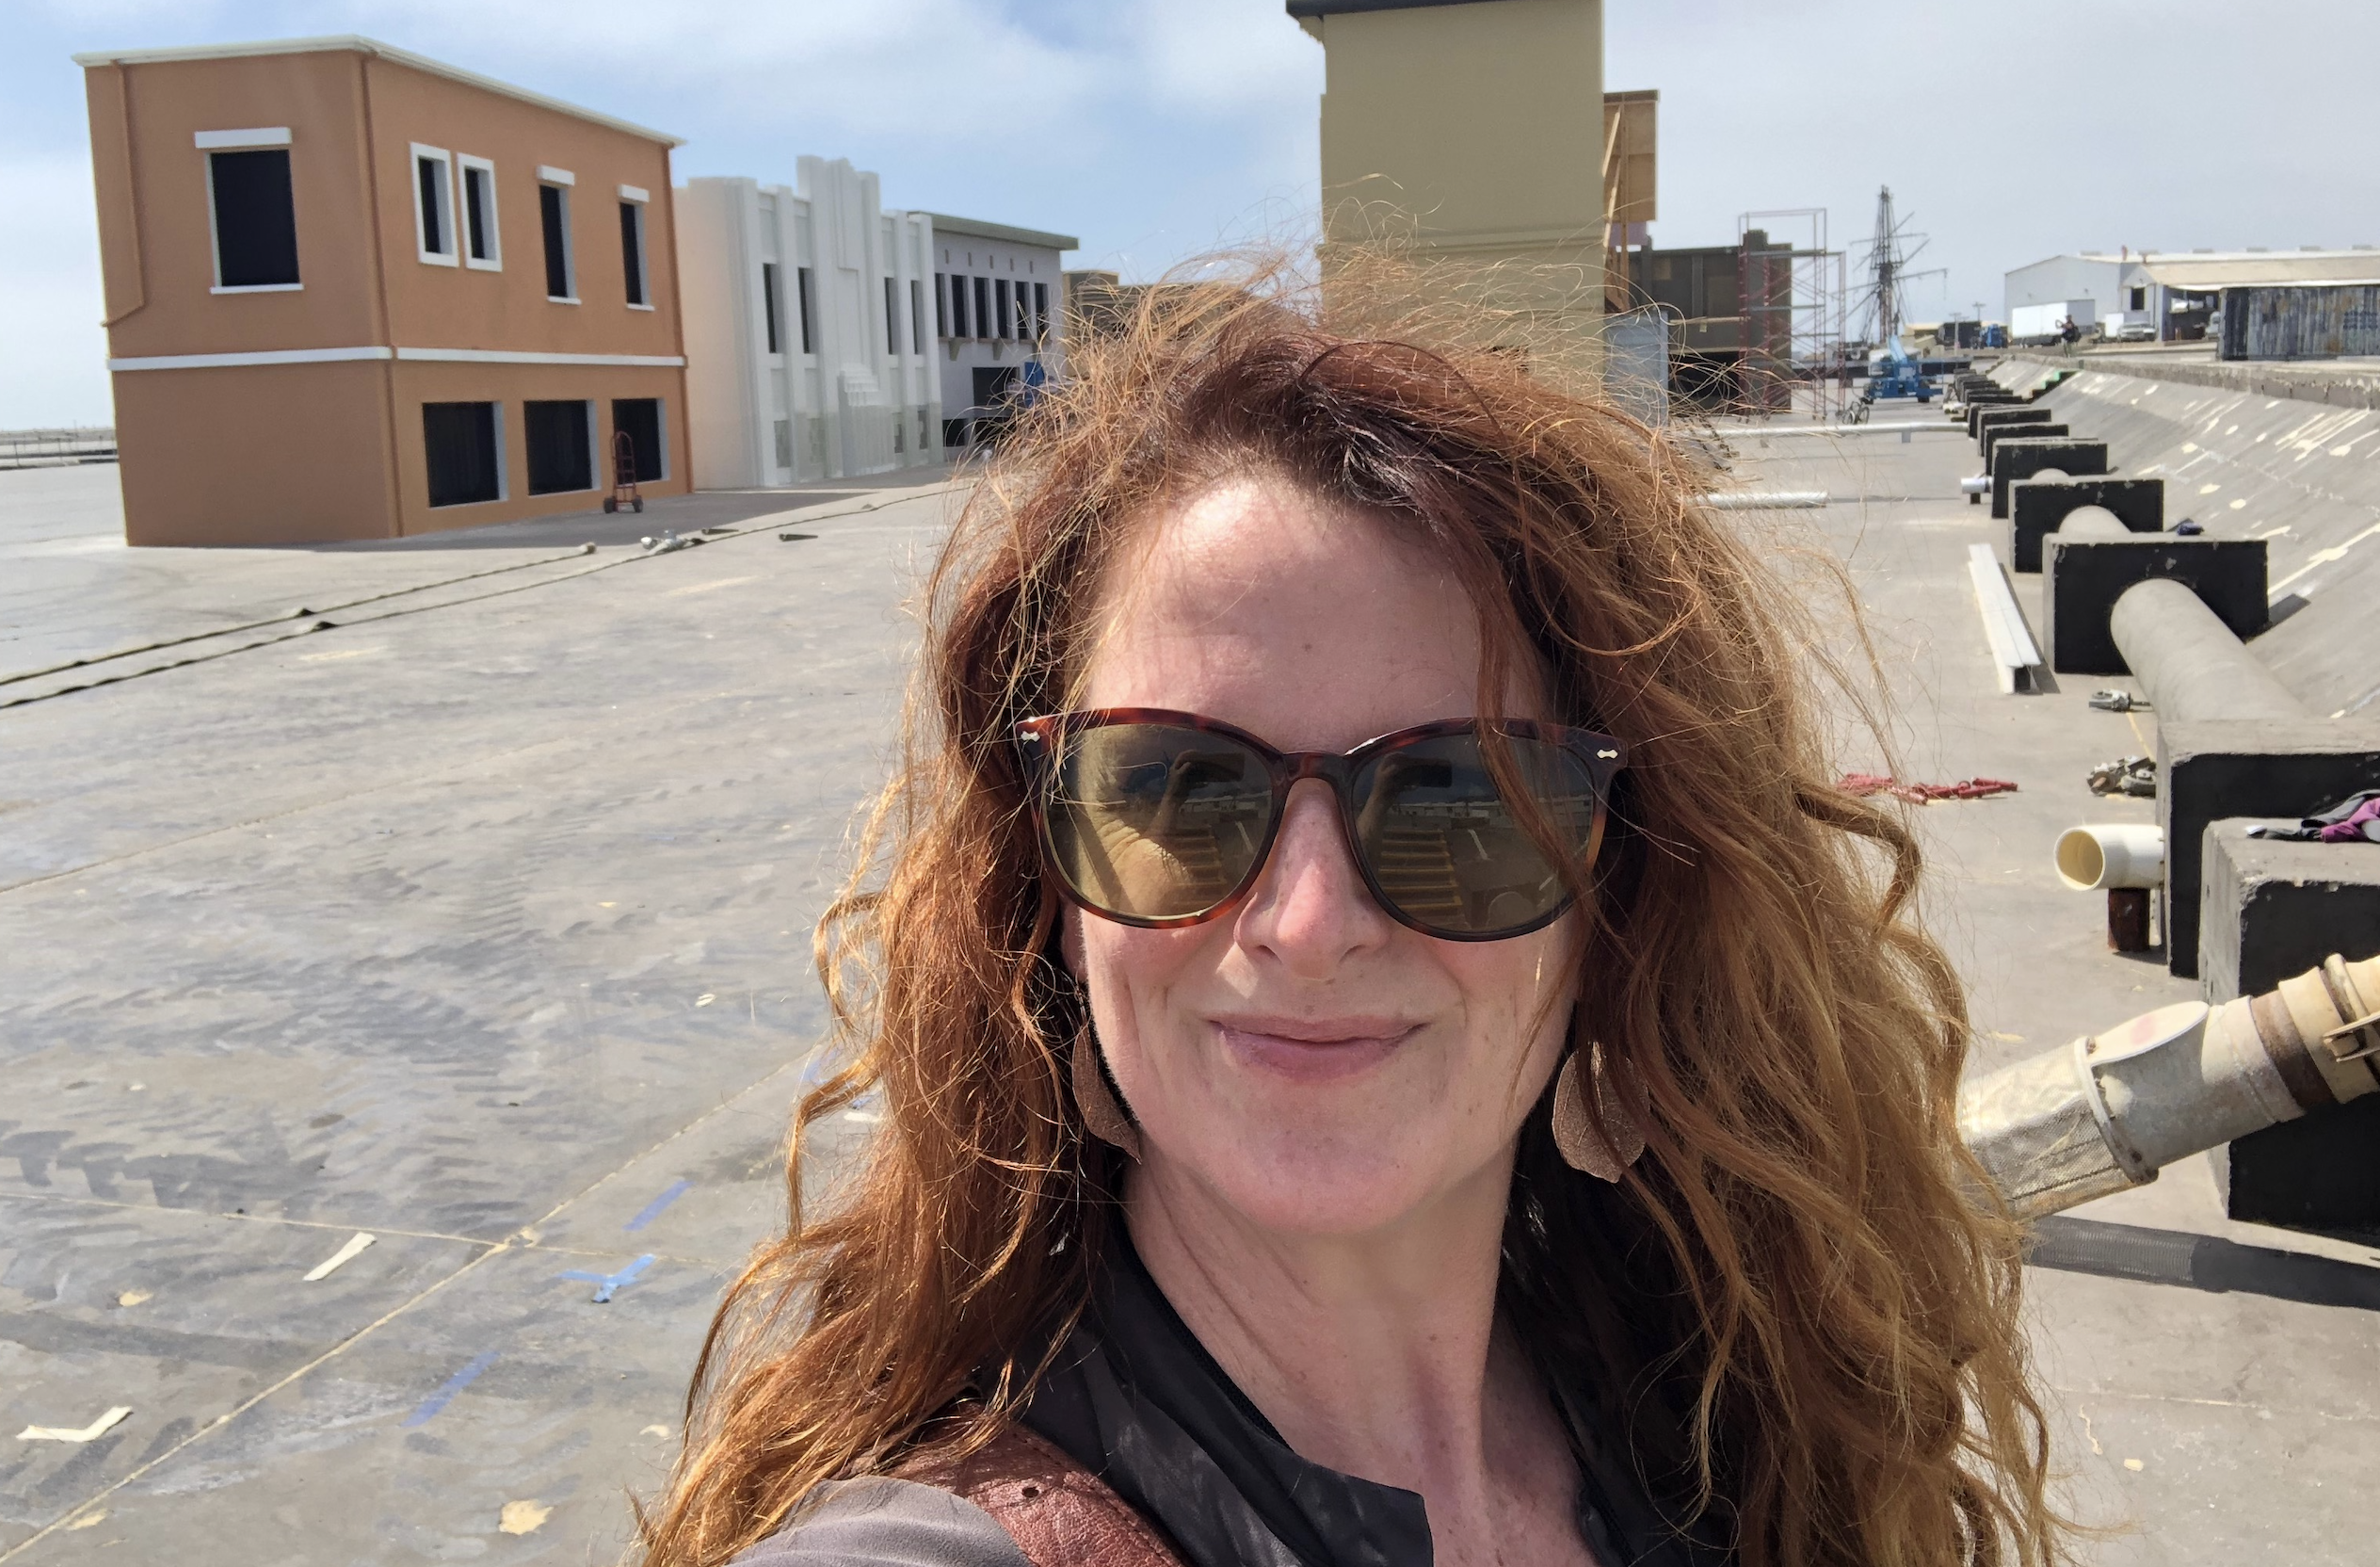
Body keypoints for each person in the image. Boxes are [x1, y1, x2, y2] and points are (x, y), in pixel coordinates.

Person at [638, 283, 2066, 1567]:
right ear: (1052, 895)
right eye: (1177, 789)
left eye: (1462, 799)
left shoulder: (1727, 1424)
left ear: (1623, 891)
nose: (1310, 924)